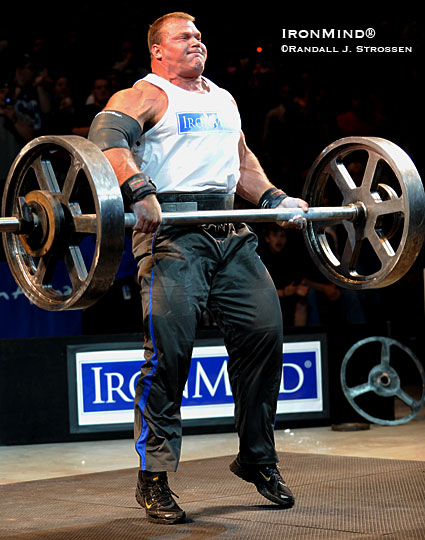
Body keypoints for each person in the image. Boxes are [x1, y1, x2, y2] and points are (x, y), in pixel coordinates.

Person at [88, 12, 308, 525]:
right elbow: (106, 137)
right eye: (184, 37)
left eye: (200, 36)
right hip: (172, 234)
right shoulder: (145, 94)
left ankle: (257, 459)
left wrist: (276, 198)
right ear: (158, 51)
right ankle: (155, 477)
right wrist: (138, 188)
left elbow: (243, 162)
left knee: (264, 335)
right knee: (169, 353)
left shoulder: (224, 98)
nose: (196, 42)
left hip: (231, 233)